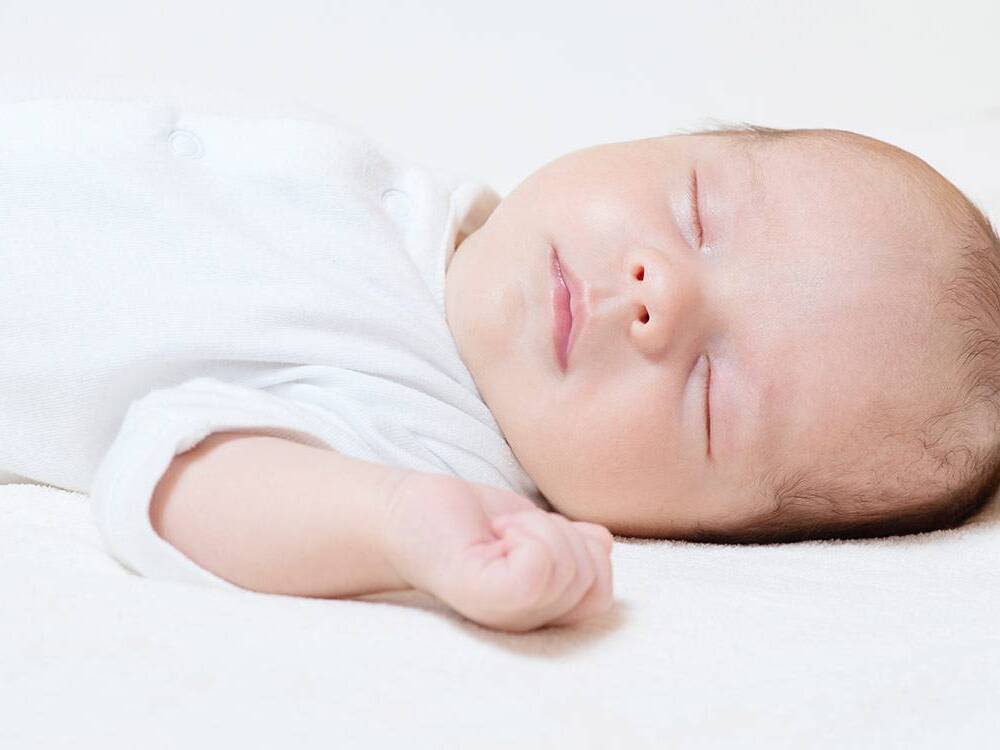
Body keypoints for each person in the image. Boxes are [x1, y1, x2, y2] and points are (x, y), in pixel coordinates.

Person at [2, 98, 997, 633]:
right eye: (695, 211)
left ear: (686, 531)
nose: (659, 293)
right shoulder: (419, 206)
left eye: (708, 391)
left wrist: (394, 525)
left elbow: (179, 473)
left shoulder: (434, 435)